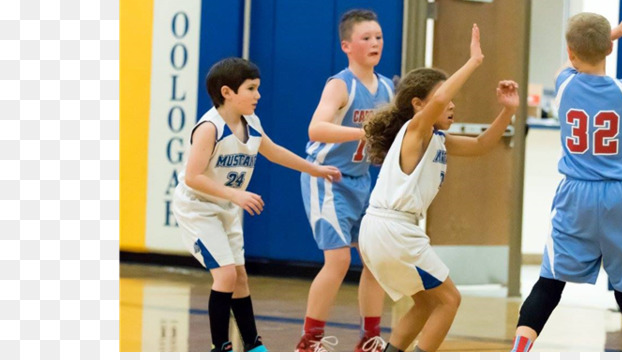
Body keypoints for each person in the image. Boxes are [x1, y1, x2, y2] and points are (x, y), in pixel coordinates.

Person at [511, 7, 622, 352]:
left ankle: (518, 350)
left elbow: (570, 64)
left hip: (574, 194)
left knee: (550, 282)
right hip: (620, 196)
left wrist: (614, 32)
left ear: (571, 52)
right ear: (609, 50)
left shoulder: (564, 84)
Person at [358, 24, 519, 352]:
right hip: (393, 229)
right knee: (450, 300)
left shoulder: (436, 139)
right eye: (444, 99)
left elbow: (481, 144)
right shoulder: (414, 131)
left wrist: (508, 110)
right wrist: (473, 61)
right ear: (419, 105)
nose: (451, 105)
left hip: (383, 229)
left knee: (425, 302)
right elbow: (443, 96)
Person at [173, 57, 341, 352]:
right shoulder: (209, 128)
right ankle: (221, 347)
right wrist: (236, 194)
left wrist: (314, 168)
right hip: (198, 208)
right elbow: (192, 177)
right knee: (225, 275)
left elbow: (273, 151)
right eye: (251, 88)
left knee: (239, 277)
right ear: (227, 92)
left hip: (224, 207)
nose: (258, 95)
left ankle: (252, 346)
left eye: (258, 88)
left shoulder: (251, 123)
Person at [296, 9, 395, 352]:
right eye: (366, 38)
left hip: (362, 181)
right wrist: (364, 131)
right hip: (327, 178)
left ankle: (370, 338)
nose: (374, 43)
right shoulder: (340, 84)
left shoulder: (385, 87)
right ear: (347, 45)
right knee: (338, 260)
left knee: (374, 259)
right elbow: (316, 128)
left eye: (378, 37)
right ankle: (309, 341)